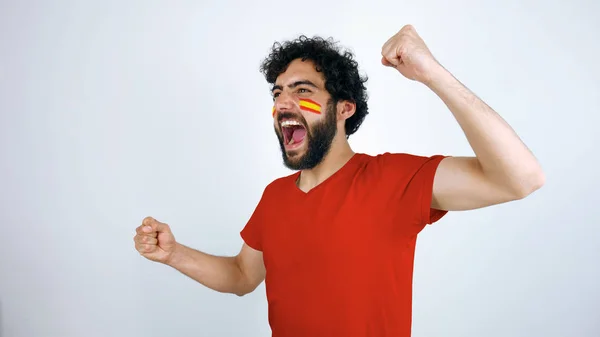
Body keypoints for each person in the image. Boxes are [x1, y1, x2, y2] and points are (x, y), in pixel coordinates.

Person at [133, 25, 545, 337]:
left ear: (344, 108)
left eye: (302, 90)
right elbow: (243, 275)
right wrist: (174, 253)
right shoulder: (274, 198)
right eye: (277, 94)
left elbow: (520, 178)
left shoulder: (394, 179)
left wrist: (431, 73)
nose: (283, 104)